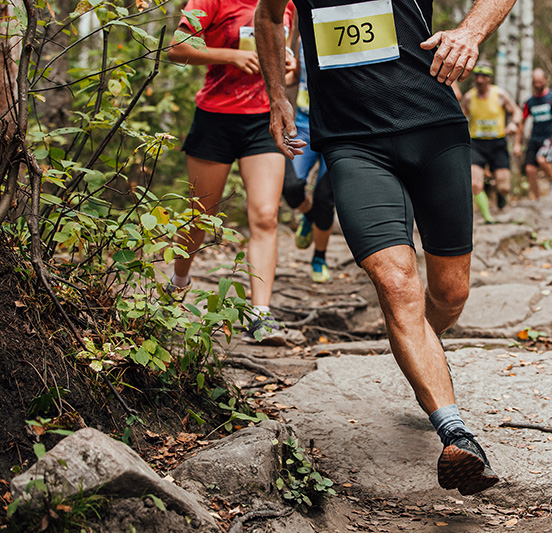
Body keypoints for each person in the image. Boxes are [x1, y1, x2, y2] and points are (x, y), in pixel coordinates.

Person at [254, 0, 515, 495]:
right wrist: (277, 97)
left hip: (434, 129)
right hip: (353, 144)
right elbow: (267, 16)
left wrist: (470, 31)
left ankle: (424, 349)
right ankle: (455, 432)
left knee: (451, 294)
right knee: (398, 285)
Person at [166, 0, 301, 343]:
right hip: (215, 118)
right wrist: (231, 56)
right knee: (200, 216)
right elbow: (176, 49)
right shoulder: (210, 1)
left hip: (264, 118)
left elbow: (289, 71)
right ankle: (177, 286)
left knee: (266, 215)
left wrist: (289, 64)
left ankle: (260, 316)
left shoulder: (285, 4)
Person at [289, 39, 336, 283]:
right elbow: (294, 75)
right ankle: (308, 216)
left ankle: (319, 258)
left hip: (339, 130)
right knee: (291, 186)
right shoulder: (301, 40)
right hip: (303, 126)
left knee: (324, 198)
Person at [460, 62, 521, 223]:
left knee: (504, 187)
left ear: (489, 78)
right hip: (477, 144)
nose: (480, 79)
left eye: (483, 76)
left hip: (497, 144)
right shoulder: (469, 97)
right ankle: (488, 216)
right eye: (477, 76)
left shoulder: (500, 94)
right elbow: (460, 117)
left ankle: (500, 194)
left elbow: (516, 111)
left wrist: (513, 123)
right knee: (474, 183)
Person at [513, 68, 552, 198]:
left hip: (551, 136)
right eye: (535, 82)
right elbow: (522, 122)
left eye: (540, 82)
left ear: (545, 80)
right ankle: (537, 200)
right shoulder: (529, 102)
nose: (537, 85)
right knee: (530, 169)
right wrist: (517, 143)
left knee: (542, 159)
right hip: (535, 137)